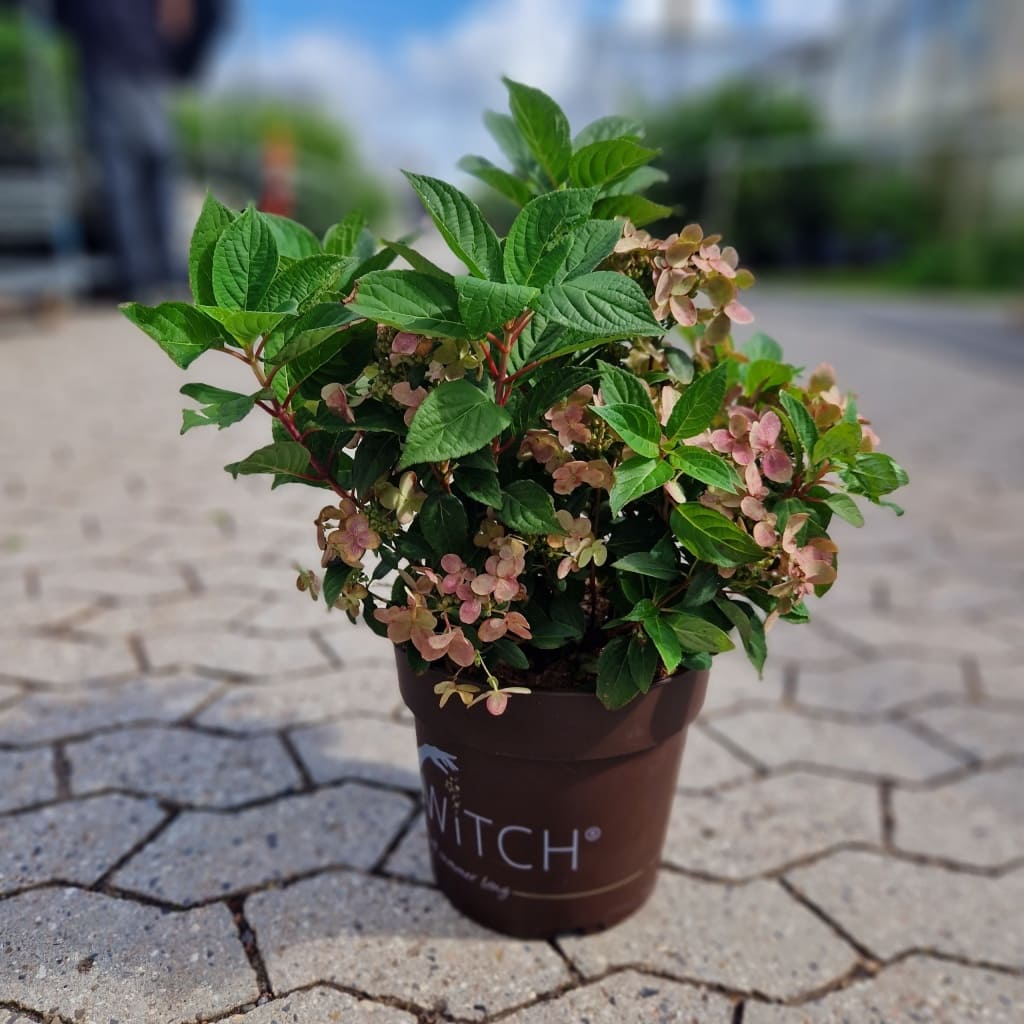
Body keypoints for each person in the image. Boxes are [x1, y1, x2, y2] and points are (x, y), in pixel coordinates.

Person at [52, 0, 224, 298]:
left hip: (132, 61)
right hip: (124, 59)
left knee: (140, 172)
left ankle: (146, 274)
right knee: (135, 172)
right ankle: (143, 275)